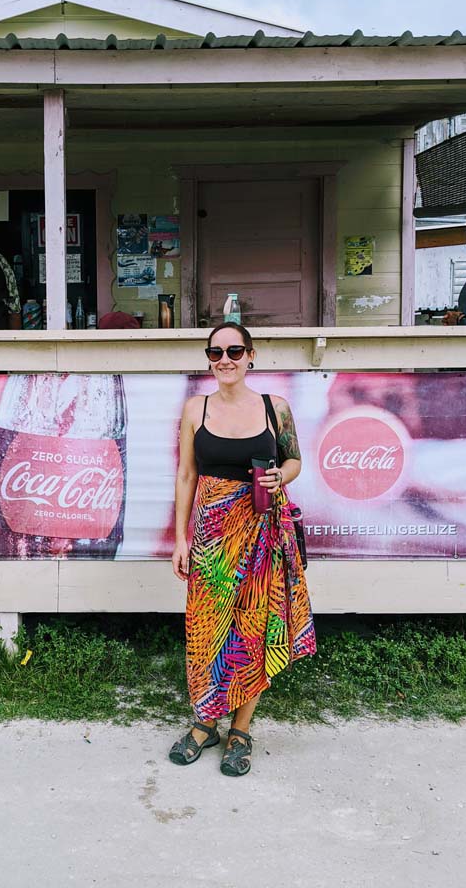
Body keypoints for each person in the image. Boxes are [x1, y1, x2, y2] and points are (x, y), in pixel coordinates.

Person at [169, 322, 316, 776]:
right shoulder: (196, 408)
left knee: (253, 628)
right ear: (208, 360)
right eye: (215, 353)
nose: (225, 360)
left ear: (251, 355)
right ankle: (205, 723)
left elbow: (294, 459)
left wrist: (281, 477)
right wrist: (180, 539)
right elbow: (187, 476)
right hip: (212, 539)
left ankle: (241, 730)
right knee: (207, 631)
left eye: (234, 351)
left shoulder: (276, 408)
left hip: (263, 534)